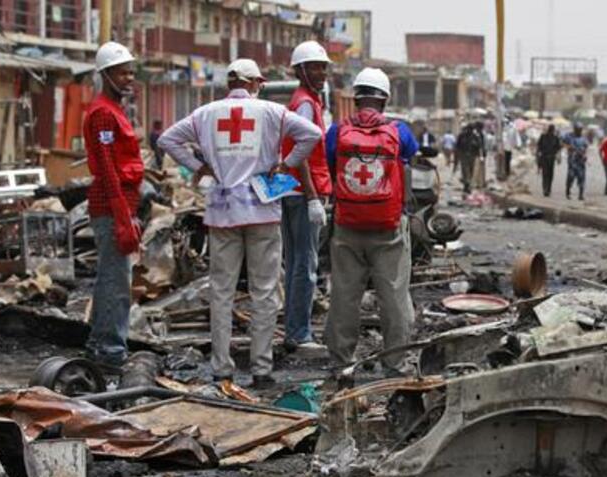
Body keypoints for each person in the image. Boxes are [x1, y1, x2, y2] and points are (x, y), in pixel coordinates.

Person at [158, 59, 322, 387]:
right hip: (262, 211)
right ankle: (261, 369)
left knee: (221, 291)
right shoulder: (271, 112)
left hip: (222, 212)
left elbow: (166, 140)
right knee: (264, 291)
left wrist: (199, 166)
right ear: (254, 83)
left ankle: (222, 368)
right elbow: (312, 134)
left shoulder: (205, 114)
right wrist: (286, 164)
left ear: (229, 83)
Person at [324, 67, 418, 384]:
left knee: (344, 295)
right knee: (394, 296)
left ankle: (341, 363)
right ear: (384, 99)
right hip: (388, 228)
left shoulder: (337, 131)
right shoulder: (400, 131)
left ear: (356, 97)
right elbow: (410, 155)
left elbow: (330, 164)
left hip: (347, 225)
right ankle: (396, 364)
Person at [82, 41, 144, 372]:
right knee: (116, 282)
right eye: (122, 73)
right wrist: (122, 217)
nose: (128, 78)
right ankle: (109, 350)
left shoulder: (114, 110)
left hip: (118, 206)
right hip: (111, 206)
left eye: (131, 72)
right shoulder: (104, 113)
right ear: (105, 75)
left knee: (112, 277)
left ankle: (101, 343)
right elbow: (107, 169)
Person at [280, 40, 332, 354]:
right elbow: (302, 152)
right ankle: (299, 334)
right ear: (300, 71)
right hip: (302, 192)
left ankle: (294, 330)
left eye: (324, 67)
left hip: (293, 189)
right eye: (315, 67)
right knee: (305, 264)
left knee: (297, 262)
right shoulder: (305, 104)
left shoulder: (306, 101)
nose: (322, 73)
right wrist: (313, 197)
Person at [456, 122, 484, 194]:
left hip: (472, 156)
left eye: (471, 129)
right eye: (468, 129)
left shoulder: (475, 137)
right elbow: (457, 146)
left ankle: (468, 184)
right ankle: (466, 184)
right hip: (463, 156)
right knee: (465, 171)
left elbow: (480, 147)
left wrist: (481, 156)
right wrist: (457, 157)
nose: (469, 131)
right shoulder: (461, 136)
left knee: (471, 171)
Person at [564, 123, 588, 200]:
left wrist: (585, 155)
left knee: (581, 177)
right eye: (577, 129)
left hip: (581, 161)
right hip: (572, 161)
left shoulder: (583, 138)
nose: (579, 131)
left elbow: (585, 148)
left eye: (580, 129)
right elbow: (563, 143)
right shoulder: (569, 136)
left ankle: (581, 195)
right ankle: (568, 191)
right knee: (571, 176)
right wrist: (569, 147)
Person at [536, 124, 561, 197]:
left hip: (552, 158)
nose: (551, 131)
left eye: (552, 130)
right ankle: (545, 189)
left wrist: (558, 157)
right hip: (544, 157)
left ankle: (549, 189)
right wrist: (538, 155)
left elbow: (558, 148)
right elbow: (539, 146)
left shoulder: (556, 138)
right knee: (545, 174)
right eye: (550, 130)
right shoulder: (543, 136)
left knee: (550, 175)